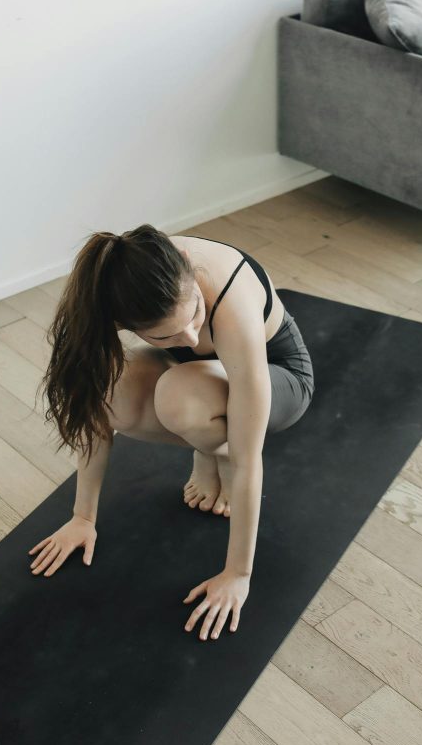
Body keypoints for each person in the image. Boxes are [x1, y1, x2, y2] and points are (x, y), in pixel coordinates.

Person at [28, 223, 315, 642]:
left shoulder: (227, 299)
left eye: (196, 313)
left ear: (191, 278)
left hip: (280, 376)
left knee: (182, 398)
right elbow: (94, 418)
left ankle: (210, 449)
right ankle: (207, 441)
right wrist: (82, 517)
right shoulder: (120, 285)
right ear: (125, 324)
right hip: (203, 377)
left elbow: (249, 458)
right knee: (114, 396)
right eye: (166, 336)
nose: (192, 337)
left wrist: (238, 574)